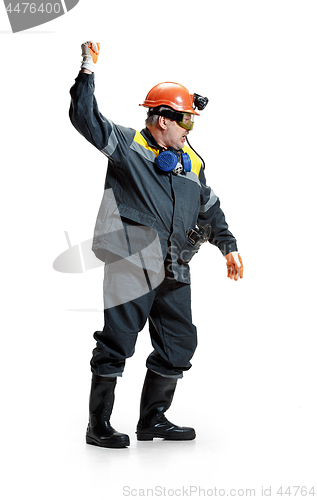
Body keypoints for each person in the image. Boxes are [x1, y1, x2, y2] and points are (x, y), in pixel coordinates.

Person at [69, 41, 243, 449]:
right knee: (118, 340)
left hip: (175, 263)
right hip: (133, 258)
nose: (189, 129)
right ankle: (99, 425)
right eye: (186, 121)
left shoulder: (190, 162)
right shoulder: (128, 146)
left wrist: (227, 244)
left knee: (180, 342)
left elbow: (209, 207)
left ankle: (153, 420)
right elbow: (85, 118)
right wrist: (88, 70)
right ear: (162, 119)